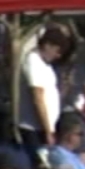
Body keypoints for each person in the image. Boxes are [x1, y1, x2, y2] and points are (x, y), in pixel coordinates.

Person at [16, 25, 71, 161]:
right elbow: (38, 97)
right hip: (34, 127)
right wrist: (47, 130)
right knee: (41, 164)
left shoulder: (46, 65)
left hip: (45, 126)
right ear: (47, 45)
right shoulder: (33, 61)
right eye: (57, 51)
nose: (58, 56)